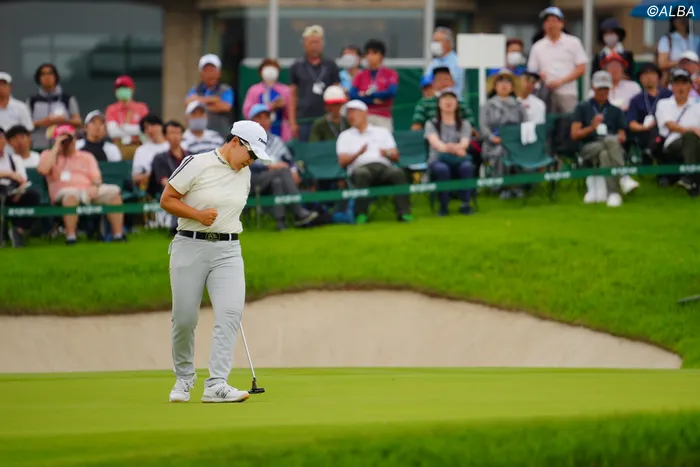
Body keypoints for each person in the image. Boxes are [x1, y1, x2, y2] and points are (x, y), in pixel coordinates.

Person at [160, 120, 272, 404]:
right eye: (251, 153)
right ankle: (184, 378)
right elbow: (167, 199)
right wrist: (198, 215)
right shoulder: (197, 163)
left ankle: (217, 384)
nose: (251, 161)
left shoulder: (244, 173)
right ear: (235, 142)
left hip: (228, 250)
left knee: (230, 315)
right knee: (185, 318)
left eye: (256, 157)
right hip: (190, 246)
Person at [37, 125, 125, 244]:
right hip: (63, 192)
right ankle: (71, 237)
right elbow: (43, 170)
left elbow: (96, 178)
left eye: (70, 138)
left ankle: (118, 235)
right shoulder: (49, 155)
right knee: (71, 194)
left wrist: (95, 187)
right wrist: (56, 146)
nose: (68, 142)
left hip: (87, 190)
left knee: (114, 191)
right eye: (63, 139)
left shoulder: (86, 156)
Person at [336, 100, 412, 224]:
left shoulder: (382, 132)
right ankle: (361, 215)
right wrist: (358, 154)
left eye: (353, 112)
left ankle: (404, 213)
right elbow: (342, 161)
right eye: (348, 113)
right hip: (360, 168)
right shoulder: (344, 136)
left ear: (364, 113)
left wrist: (386, 153)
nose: (350, 116)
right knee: (362, 174)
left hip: (383, 167)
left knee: (397, 173)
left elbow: (396, 156)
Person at [247, 104, 318, 230]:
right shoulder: (247, 141)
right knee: (283, 170)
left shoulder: (276, 140)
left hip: (274, 178)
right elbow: (248, 163)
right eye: (259, 118)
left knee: (278, 181)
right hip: (253, 179)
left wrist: (294, 170)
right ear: (252, 121)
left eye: (266, 117)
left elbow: (288, 160)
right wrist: (270, 167)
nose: (263, 121)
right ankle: (299, 211)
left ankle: (280, 222)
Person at [571, 71, 627, 207]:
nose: (603, 92)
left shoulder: (616, 110)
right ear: (593, 88)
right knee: (610, 141)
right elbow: (575, 134)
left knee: (605, 154)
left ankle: (612, 193)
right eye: (600, 88)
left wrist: (618, 138)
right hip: (588, 147)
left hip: (612, 149)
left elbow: (622, 135)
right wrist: (591, 127)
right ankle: (623, 177)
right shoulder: (582, 107)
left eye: (605, 88)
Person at [424, 88, 475, 216]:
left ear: (457, 104)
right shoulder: (431, 124)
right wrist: (455, 148)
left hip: (458, 159)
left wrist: (452, 147)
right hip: (437, 159)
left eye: (451, 99)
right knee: (442, 169)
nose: (448, 102)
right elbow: (437, 145)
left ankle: (465, 204)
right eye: (445, 99)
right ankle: (443, 205)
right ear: (439, 104)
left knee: (467, 166)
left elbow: (465, 143)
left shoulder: (465, 124)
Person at [527, 7, 587, 114]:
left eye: (554, 21)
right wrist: (540, 77)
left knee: (570, 120)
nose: (551, 24)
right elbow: (532, 71)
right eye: (547, 21)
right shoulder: (537, 47)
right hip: (545, 93)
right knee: (547, 121)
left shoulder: (573, 42)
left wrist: (561, 81)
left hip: (567, 92)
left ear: (561, 23)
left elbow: (581, 68)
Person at [289, 25, 341, 142]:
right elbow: (292, 95)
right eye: (311, 42)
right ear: (304, 43)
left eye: (317, 42)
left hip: (327, 117)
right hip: (304, 119)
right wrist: (292, 123)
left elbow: (336, 90)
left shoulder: (330, 65)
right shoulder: (297, 66)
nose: (314, 46)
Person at [479, 69, 526, 197]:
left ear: (512, 87)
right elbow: (483, 127)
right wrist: (492, 137)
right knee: (501, 151)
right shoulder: (487, 106)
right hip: (494, 144)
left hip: (515, 142)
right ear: (495, 86)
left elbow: (525, 125)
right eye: (500, 82)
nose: (504, 85)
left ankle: (519, 186)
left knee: (523, 151)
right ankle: (501, 187)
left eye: (508, 82)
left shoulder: (519, 106)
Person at [655, 69, 700, 197]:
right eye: (677, 84)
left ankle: (692, 181)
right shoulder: (663, 104)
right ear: (672, 86)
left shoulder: (697, 104)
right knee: (690, 137)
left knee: (694, 141)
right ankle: (690, 177)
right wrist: (692, 129)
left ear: (690, 86)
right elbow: (671, 125)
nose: (680, 87)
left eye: (684, 83)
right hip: (673, 143)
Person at [0, 127, 41, 247]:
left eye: (1, 138)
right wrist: (9, 174)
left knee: (32, 196)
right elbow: (14, 175)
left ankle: (18, 230)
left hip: (12, 193)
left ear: (5, 141)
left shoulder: (15, 159)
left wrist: (20, 191)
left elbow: (22, 179)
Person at [27, 63, 81, 150]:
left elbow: (78, 122)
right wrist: (42, 122)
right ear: (39, 78)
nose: (47, 77)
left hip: (64, 147)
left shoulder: (67, 99)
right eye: (43, 74)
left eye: (50, 73)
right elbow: (26, 125)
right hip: (39, 146)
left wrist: (64, 121)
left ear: (56, 76)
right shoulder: (32, 100)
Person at [348, 39, 398, 131]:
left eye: (374, 53)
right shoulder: (360, 75)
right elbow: (352, 95)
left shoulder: (390, 74)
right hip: (363, 117)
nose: (370, 56)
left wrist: (366, 94)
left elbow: (391, 92)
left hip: (383, 117)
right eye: (368, 53)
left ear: (381, 55)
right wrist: (372, 100)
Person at [627, 63, 672, 162]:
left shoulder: (669, 95)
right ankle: (650, 150)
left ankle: (650, 151)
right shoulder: (635, 100)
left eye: (652, 73)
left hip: (668, 130)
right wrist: (645, 127)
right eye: (645, 74)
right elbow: (632, 123)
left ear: (658, 77)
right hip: (645, 134)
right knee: (652, 131)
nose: (649, 77)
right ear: (640, 79)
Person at [242, 59, 290, 141]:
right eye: (267, 68)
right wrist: (271, 107)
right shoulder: (254, 90)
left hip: (280, 134)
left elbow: (291, 114)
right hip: (258, 134)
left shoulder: (285, 90)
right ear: (261, 72)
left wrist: (284, 106)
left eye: (273, 68)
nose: (270, 71)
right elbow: (247, 112)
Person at [186, 54, 234, 136]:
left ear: (219, 72)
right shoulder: (195, 89)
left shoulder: (226, 89)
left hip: (221, 134)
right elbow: (188, 102)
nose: (210, 74)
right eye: (206, 70)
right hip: (198, 135)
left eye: (212, 70)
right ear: (201, 73)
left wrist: (199, 104)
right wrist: (213, 100)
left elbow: (225, 106)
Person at [411, 66, 472, 131]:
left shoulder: (462, 104)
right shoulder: (424, 103)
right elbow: (416, 128)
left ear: (453, 82)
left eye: (446, 79)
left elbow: (471, 128)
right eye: (439, 79)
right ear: (433, 83)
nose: (443, 83)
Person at [105, 75, 149, 161]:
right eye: (119, 88)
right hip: (118, 150)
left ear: (132, 89)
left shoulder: (141, 108)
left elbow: (145, 130)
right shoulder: (111, 109)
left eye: (125, 87)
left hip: (139, 147)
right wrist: (135, 130)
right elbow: (113, 132)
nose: (122, 90)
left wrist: (123, 127)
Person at [424, 27, 465, 98]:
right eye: (434, 41)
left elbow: (448, 85)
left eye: (437, 41)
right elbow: (426, 84)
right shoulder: (433, 63)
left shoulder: (458, 62)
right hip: (434, 102)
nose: (434, 44)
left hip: (454, 101)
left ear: (447, 42)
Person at [132, 114, 169, 190]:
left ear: (161, 126)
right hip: (155, 187)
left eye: (153, 125)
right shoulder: (141, 150)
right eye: (146, 128)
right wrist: (151, 175)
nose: (150, 130)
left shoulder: (172, 145)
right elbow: (136, 177)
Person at [151, 121, 188, 196]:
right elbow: (164, 181)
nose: (176, 136)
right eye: (172, 133)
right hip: (170, 195)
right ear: (165, 136)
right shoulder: (160, 158)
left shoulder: (191, 156)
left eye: (178, 133)